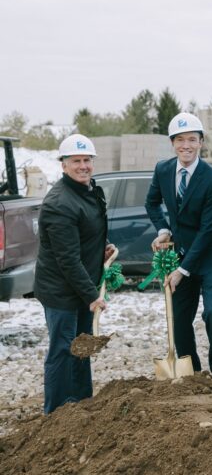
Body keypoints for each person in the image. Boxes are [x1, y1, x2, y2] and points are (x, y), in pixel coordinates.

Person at [34, 134, 116, 413]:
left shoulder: (90, 190)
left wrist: (102, 247)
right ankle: (55, 413)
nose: (83, 166)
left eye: (87, 160)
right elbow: (67, 258)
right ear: (64, 165)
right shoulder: (59, 203)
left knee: (82, 349)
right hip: (61, 292)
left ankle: (82, 406)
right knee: (62, 350)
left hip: (81, 286)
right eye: (76, 161)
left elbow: (85, 233)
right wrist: (93, 296)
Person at [145, 112, 212, 376]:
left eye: (192, 140)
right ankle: (190, 368)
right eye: (180, 140)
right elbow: (152, 202)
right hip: (181, 252)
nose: (186, 146)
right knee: (180, 317)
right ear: (172, 143)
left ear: (201, 142)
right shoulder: (163, 169)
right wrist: (163, 229)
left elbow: (207, 229)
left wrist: (182, 271)